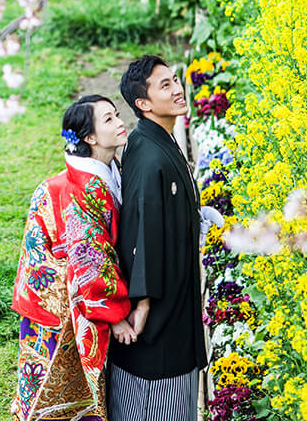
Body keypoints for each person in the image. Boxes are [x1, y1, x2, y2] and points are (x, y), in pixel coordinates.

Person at [11, 95, 138, 421]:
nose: (119, 122)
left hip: (63, 291)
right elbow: (90, 260)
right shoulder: (83, 190)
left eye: (116, 115)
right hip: (58, 297)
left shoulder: (105, 172)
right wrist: (116, 314)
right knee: (56, 392)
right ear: (90, 138)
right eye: (108, 119)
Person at [109, 55, 208, 421]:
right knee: (159, 399)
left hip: (173, 288)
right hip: (159, 309)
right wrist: (144, 301)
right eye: (164, 85)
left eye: (175, 80)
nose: (178, 89)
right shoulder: (152, 155)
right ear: (143, 103)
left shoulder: (149, 139)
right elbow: (144, 227)